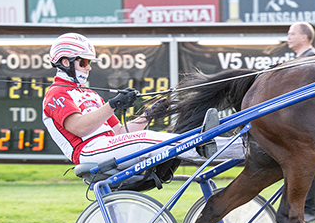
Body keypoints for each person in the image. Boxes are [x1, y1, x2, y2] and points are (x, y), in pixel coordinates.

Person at [42, 33, 244, 184]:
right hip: (89, 151)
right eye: (84, 62)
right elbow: (79, 128)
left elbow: (120, 132)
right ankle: (236, 149)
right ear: (65, 62)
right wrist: (113, 105)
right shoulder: (56, 94)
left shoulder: (90, 94)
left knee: (151, 137)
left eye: (89, 62)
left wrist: (148, 114)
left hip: (109, 145)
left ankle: (229, 144)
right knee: (146, 139)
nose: (89, 67)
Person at [287, 22, 315, 223]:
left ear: (305, 37)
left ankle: (311, 209)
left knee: (304, 164)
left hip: (308, 121)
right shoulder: (302, 59)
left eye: (292, 34)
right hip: (305, 120)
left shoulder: (311, 60)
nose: (288, 37)